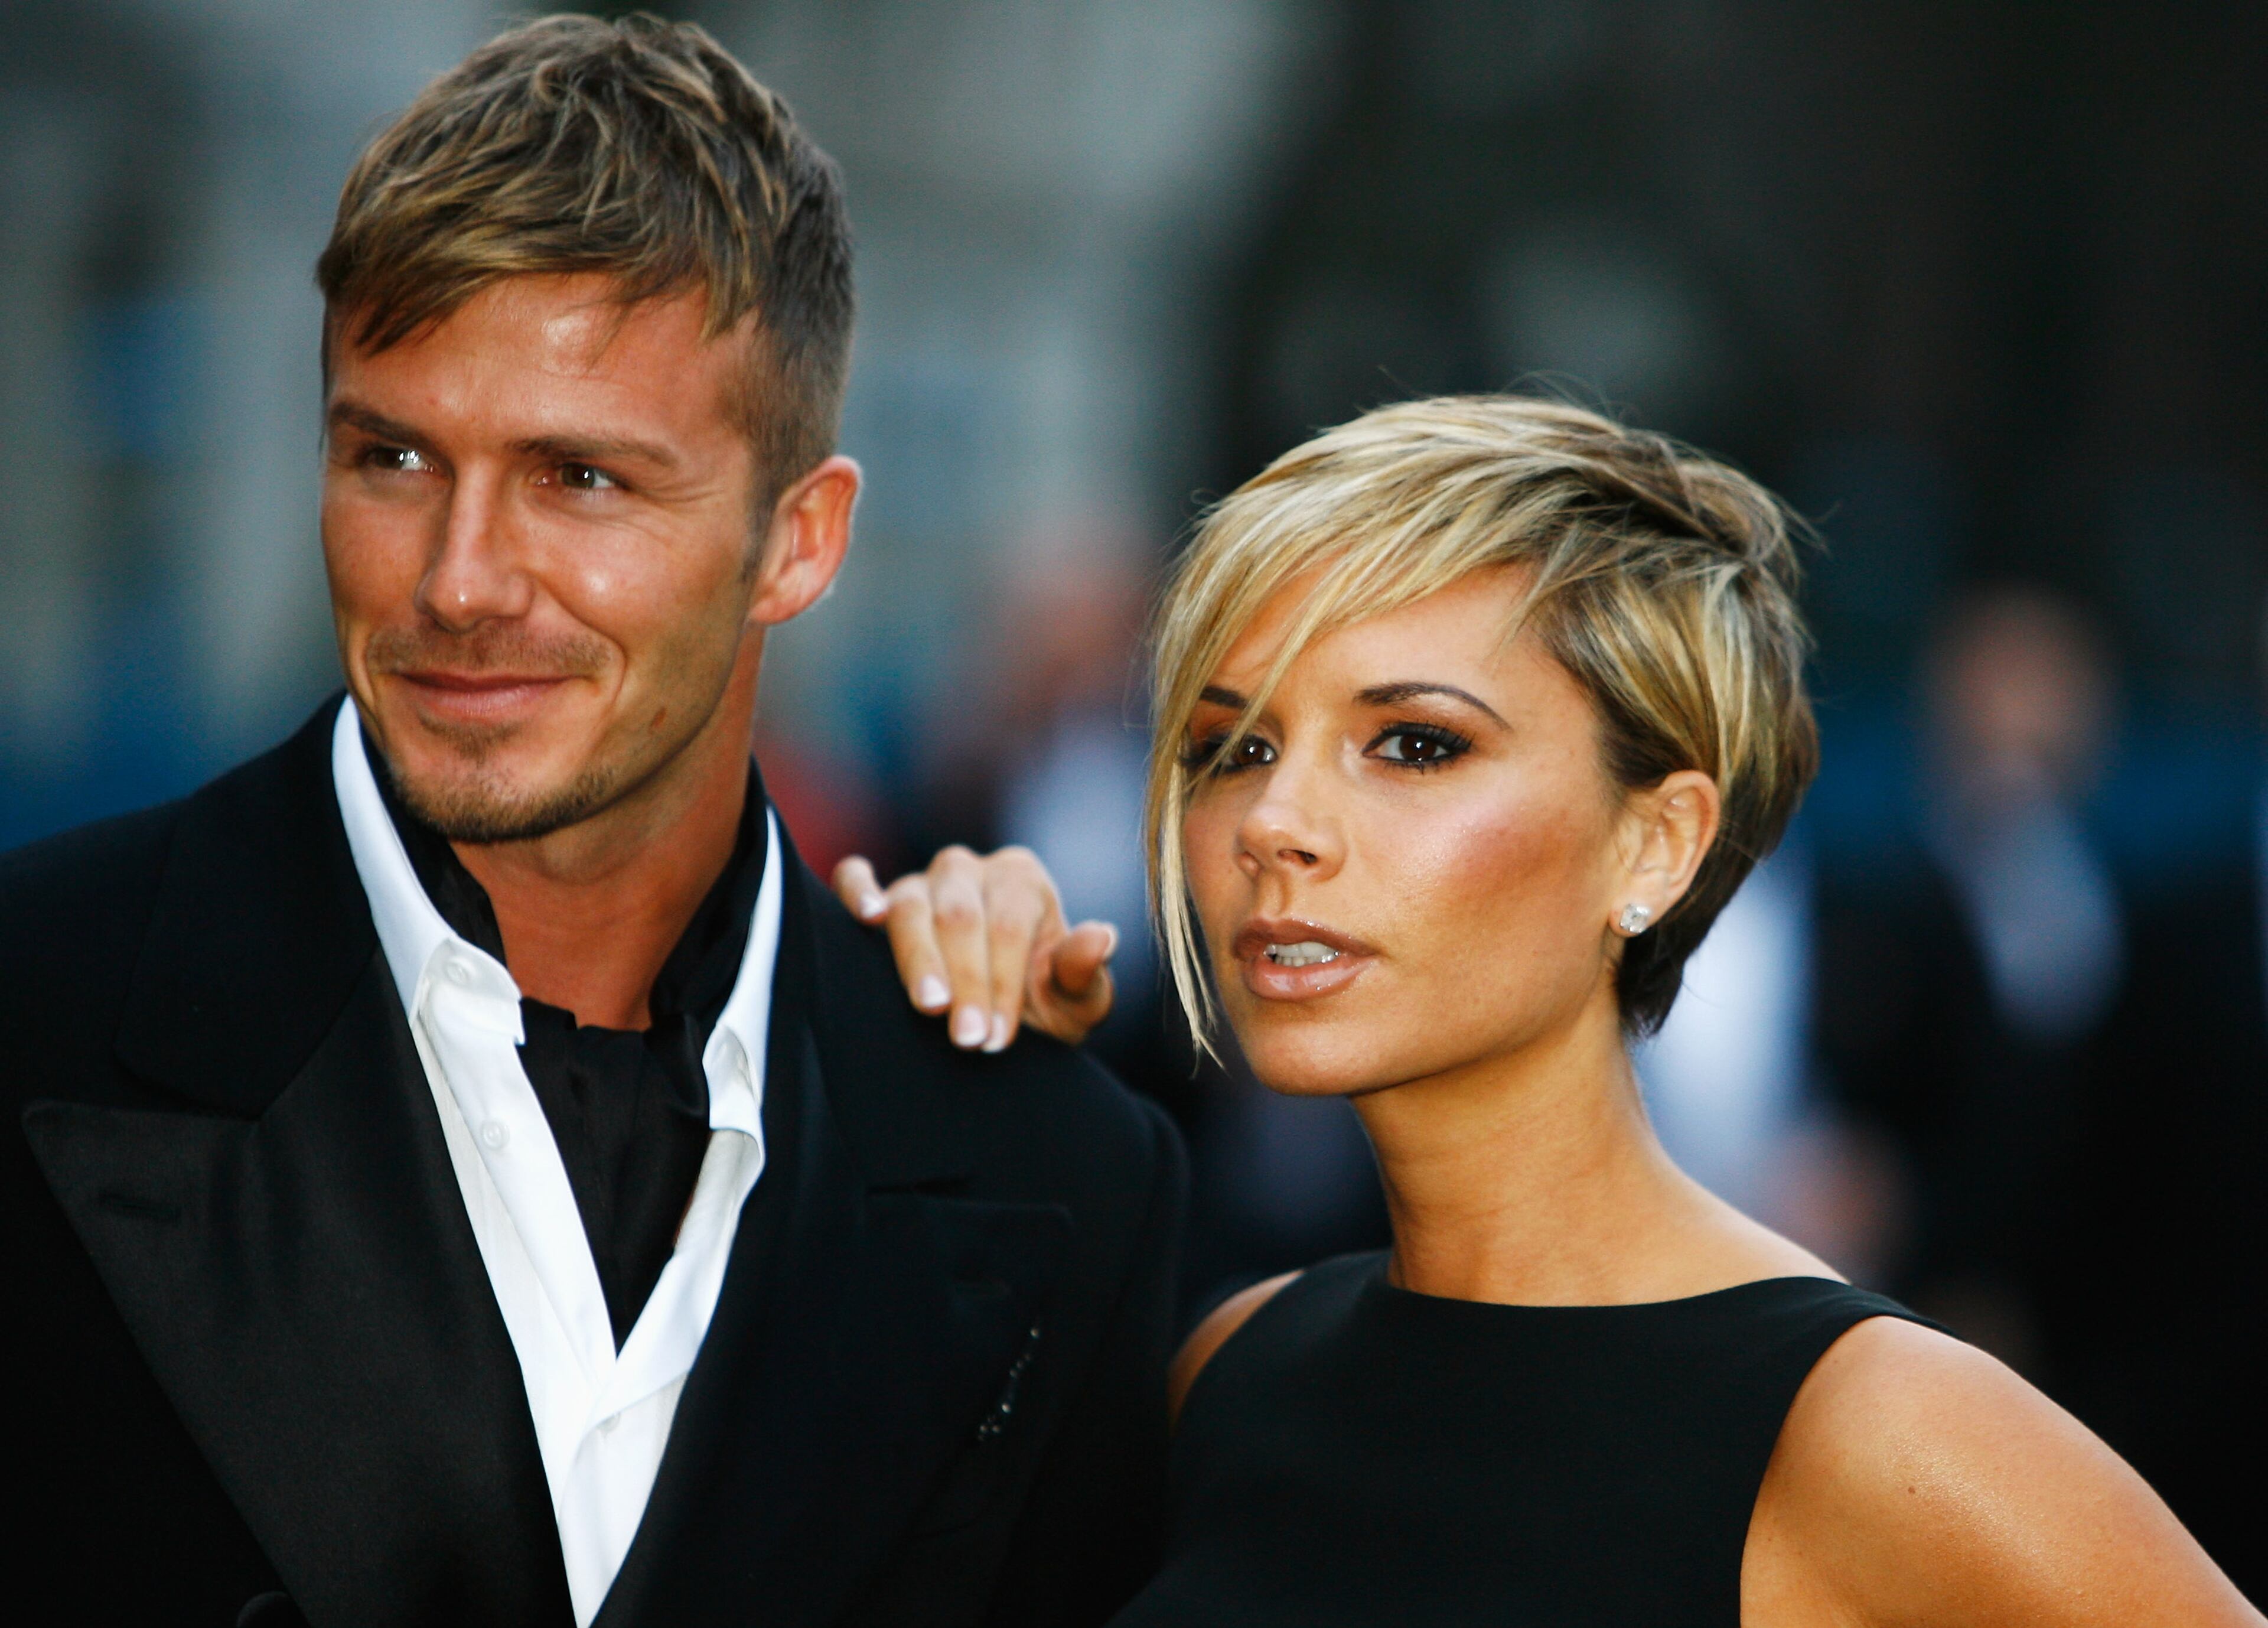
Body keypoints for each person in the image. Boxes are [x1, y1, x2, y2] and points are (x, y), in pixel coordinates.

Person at [1, 17, 1181, 1627]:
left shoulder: (1060, 1175)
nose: (459, 580)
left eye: (580, 479)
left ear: (799, 541)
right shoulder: (39, 1012)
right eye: (392, 456)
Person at [1095, 396, 2257, 1624]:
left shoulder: (1876, 1430)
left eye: (1415, 744)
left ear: (1657, 843)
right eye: (1232, 748)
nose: (1273, 824)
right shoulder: (1232, 1368)